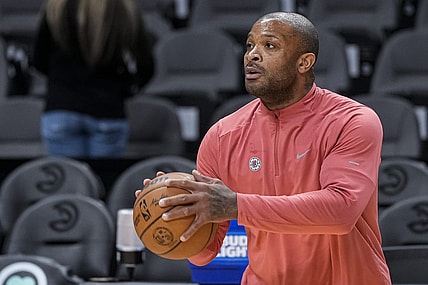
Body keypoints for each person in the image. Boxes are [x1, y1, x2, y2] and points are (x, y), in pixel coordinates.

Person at [137, 12, 391, 284]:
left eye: (269, 46)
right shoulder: (222, 136)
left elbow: (341, 211)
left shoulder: (352, 121)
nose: (252, 55)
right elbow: (205, 252)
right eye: (249, 46)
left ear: (304, 62)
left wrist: (237, 205)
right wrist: (175, 213)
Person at [33, 0, 154, 158]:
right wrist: (124, 89)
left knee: (69, 179)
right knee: (105, 180)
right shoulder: (123, 8)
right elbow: (146, 65)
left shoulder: (56, 7)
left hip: (62, 108)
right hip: (107, 110)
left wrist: (60, 81)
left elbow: (38, 60)